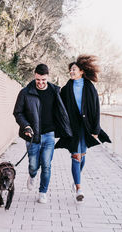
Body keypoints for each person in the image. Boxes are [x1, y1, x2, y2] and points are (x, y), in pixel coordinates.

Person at [13, 64, 72, 204]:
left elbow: (64, 109)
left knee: (46, 164)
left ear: (48, 77)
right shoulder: (25, 92)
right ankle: (32, 175)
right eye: (38, 79)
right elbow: (17, 112)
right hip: (32, 135)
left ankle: (43, 192)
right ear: (35, 75)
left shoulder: (55, 91)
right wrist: (26, 126)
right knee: (34, 165)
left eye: (43, 80)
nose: (40, 82)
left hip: (49, 134)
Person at [55, 55, 111, 202]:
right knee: (76, 156)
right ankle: (79, 188)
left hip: (86, 127)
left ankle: (76, 179)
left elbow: (96, 109)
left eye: (74, 69)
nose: (71, 72)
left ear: (81, 71)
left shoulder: (89, 87)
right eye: (70, 70)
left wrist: (96, 129)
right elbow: (59, 108)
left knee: (83, 156)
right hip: (72, 128)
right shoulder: (66, 89)